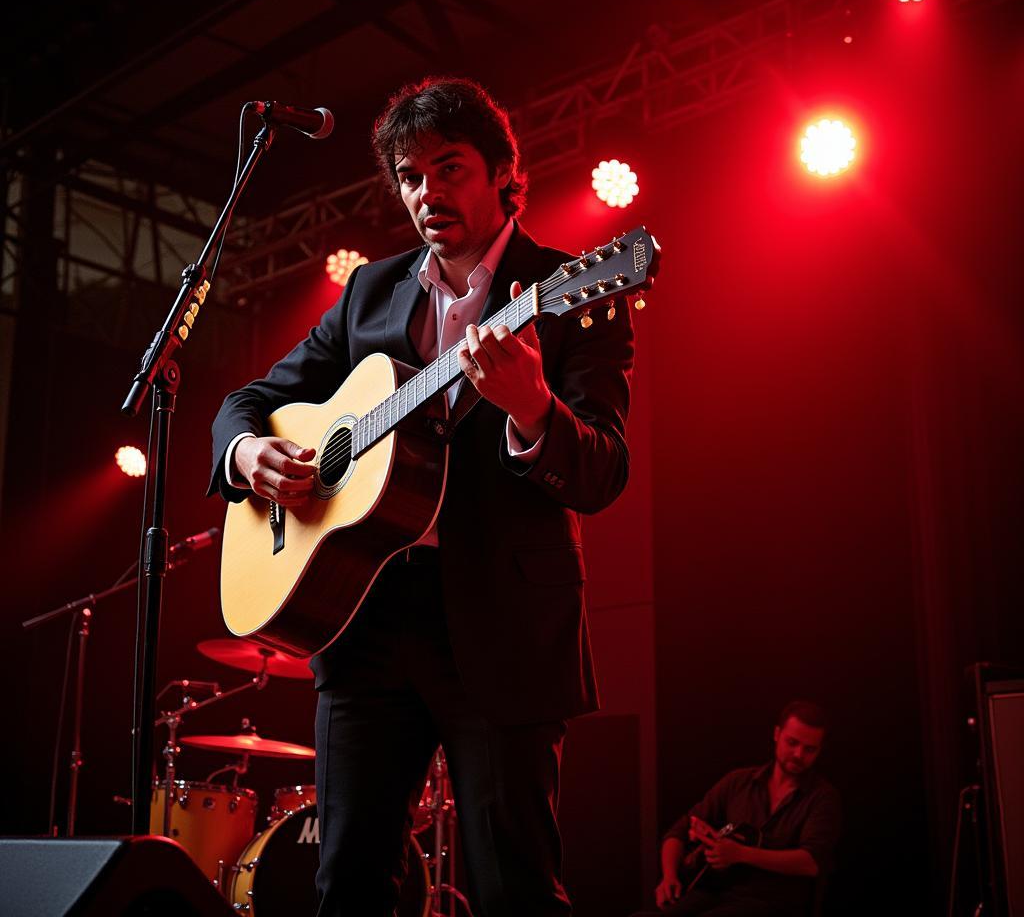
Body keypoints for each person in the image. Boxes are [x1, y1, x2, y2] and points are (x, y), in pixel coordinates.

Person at [208, 76, 635, 916]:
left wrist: (532, 410)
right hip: (362, 621)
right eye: (409, 175)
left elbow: (603, 469)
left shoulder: (567, 290)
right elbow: (245, 403)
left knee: (513, 886)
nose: (426, 192)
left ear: (504, 174)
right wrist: (248, 452)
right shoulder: (372, 291)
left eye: (449, 168)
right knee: (346, 886)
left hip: (502, 629)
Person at [637, 701, 841, 917]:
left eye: (809, 749)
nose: (799, 754)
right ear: (777, 734)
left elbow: (811, 863)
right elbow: (679, 831)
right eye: (792, 742)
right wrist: (669, 877)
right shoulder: (738, 782)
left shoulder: (823, 798)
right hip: (714, 892)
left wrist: (741, 854)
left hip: (772, 903)